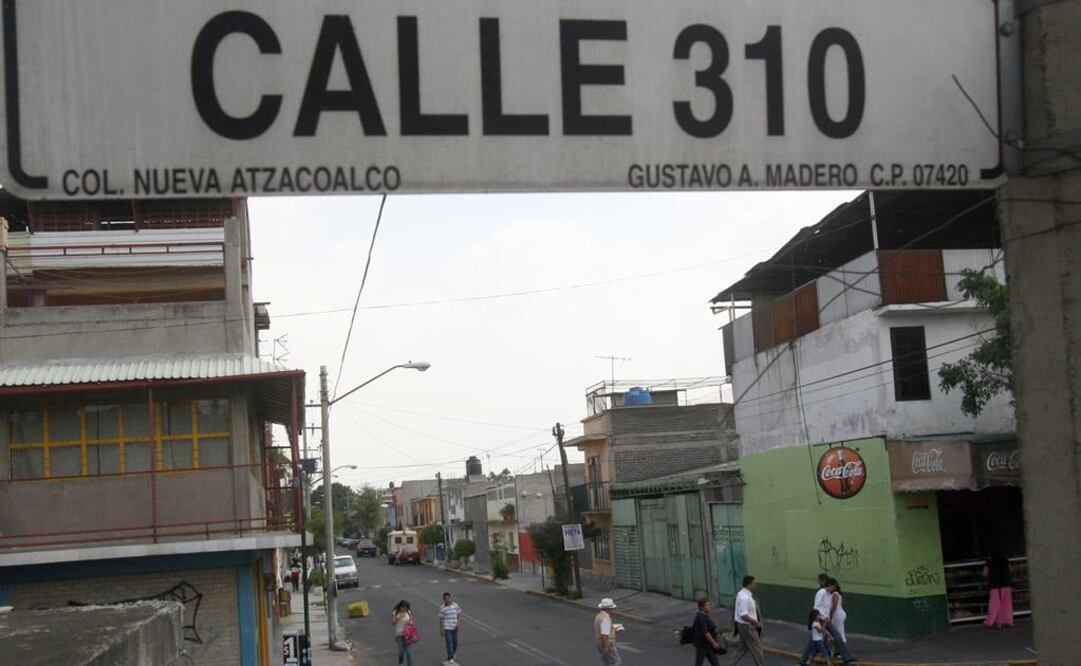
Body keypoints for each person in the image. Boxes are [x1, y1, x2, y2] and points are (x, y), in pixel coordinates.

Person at [730, 576, 765, 666]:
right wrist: (756, 622)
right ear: (749, 584)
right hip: (748, 627)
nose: (756, 585)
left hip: (742, 626)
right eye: (754, 583)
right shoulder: (745, 597)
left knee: (742, 648)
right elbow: (743, 615)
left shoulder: (741, 593)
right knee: (757, 649)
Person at [826, 578, 855, 663]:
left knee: (839, 633)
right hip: (839, 614)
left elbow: (834, 606)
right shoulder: (836, 593)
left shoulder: (835, 594)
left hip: (837, 615)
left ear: (833, 586)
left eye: (829, 586)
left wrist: (830, 616)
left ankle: (841, 653)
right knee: (837, 633)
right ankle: (838, 652)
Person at [984, 551, 1014, 629]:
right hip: (1006, 585)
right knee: (1007, 605)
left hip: (995, 586)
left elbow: (985, 573)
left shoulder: (989, 560)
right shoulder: (1005, 559)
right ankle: (1009, 622)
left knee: (995, 605)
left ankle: (997, 623)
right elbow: (1011, 569)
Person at [692, 597, 725, 666]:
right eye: (707, 605)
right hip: (702, 644)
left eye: (709, 604)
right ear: (701, 607)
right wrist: (714, 643)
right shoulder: (701, 617)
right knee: (699, 663)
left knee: (715, 662)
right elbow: (705, 632)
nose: (710, 606)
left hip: (707, 644)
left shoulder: (703, 615)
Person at [594, 597, 622, 665]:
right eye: (612, 609)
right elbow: (605, 635)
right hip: (607, 643)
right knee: (617, 662)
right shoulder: (606, 618)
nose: (613, 610)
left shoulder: (599, 616)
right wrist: (606, 647)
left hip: (599, 642)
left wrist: (613, 630)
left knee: (606, 662)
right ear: (608, 609)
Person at [438, 591, 463, 664]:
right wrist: (441, 630)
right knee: (449, 642)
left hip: (454, 627)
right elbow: (440, 619)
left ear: (450, 598)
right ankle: (450, 657)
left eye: (448, 598)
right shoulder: (442, 608)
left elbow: (458, 613)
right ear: (444, 599)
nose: (447, 600)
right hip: (447, 627)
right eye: (446, 599)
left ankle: (452, 653)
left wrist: (458, 622)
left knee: (455, 642)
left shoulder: (455, 605)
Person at [391, 599, 415, 666]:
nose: (404, 609)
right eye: (403, 607)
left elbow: (412, 621)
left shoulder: (408, 612)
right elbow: (393, 623)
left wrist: (410, 622)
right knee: (401, 651)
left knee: (409, 652)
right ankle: (400, 663)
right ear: (400, 606)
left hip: (407, 635)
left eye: (405, 608)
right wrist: (399, 617)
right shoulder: (395, 612)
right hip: (399, 635)